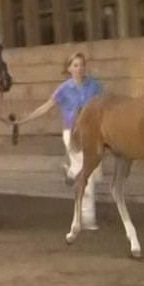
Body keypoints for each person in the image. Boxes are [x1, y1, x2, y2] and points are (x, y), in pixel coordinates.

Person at [16, 52, 103, 230]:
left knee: (94, 173)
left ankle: (70, 173)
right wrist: (25, 120)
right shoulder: (64, 89)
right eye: (75, 65)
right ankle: (87, 217)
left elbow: (105, 105)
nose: (79, 69)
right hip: (72, 134)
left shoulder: (94, 86)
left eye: (82, 65)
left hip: (93, 134)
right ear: (69, 69)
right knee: (87, 173)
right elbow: (47, 106)